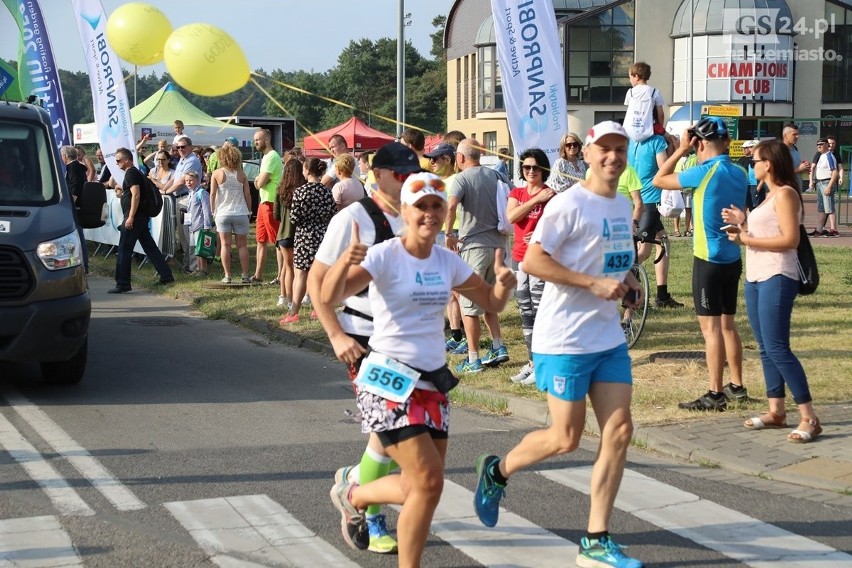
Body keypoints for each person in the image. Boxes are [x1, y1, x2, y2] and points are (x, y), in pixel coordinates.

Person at [471, 121, 644, 568]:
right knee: (566, 437)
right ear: (586, 153)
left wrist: (626, 281)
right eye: (604, 149)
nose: (613, 156)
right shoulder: (568, 204)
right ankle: (497, 471)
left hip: (606, 337)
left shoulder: (622, 204)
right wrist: (591, 282)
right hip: (564, 336)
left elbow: (612, 259)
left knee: (619, 430)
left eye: (620, 149)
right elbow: (532, 259)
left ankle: (596, 539)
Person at [327, 172, 515, 567]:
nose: (430, 214)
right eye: (421, 206)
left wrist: (503, 285)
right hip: (387, 381)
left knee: (423, 487)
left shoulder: (447, 260)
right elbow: (331, 295)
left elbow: (491, 303)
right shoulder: (384, 254)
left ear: (445, 210)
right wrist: (346, 261)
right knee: (429, 482)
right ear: (406, 212)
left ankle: (356, 495)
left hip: (432, 384)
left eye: (436, 206)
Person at [310, 142, 422, 555]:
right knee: (390, 434)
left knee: (398, 433)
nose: (409, 181)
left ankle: (353, 481)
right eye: (401, 174)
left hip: (412, 343)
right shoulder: (354, 218)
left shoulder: (418, 215)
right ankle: (369, 512)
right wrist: (336, 335)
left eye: (414, 173)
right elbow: (316, 284)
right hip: (365, 341)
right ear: (379, 174)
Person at [720, 139, 823, 443]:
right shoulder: (767, 197)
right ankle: (776, 411)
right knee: (765, 346)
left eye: (756, 160)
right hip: (756, 276)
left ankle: (809, 417)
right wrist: (744, 224)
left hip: (778, 275)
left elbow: (789, 240)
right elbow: (766, 231)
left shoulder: (787, 195)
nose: (752, 165)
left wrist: (746, 240)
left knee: (778, 347)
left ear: (769, 164)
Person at [653, 117, 749, 411]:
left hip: (708, 260)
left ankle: (715, 393)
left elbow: (659, 180)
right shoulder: (739, 172)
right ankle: (737, 387)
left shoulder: (703, 171)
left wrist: (681, 150)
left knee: (711, 331)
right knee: (728, 326)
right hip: (733, 258)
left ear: (701, 143)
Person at [446, 138, 511, 372]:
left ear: (461, 158)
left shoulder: (462, 178)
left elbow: (451, 205)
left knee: (469, 305)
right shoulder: (497, 176)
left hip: (474, 246)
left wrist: (448, 234)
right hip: (498, 245)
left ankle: (473, 359)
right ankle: (498, 345)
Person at [506, 148, 555, 386]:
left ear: (543, 169)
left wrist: (540, 233)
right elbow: (512, 217)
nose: (531, 171)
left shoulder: (552, 195)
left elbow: (557, 226)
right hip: (519, 259)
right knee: (525, 312)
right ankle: (532, 362)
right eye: (526, 167)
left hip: (540, 259)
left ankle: (543, 365)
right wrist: (535, 199)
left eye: (535, 167)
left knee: (540, 312)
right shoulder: (516, 192)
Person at [627, 107, 683, 309]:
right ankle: (629, 291)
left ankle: (662, 295)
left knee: (664, 242)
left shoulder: (631, 142)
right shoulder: (656, 142)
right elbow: (664, 169)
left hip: (636, 198)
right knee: (643, 252)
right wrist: (675, 148)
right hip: (649, 200)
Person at [107, 147, 174, 293]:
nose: (117, 163)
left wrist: (130, 217)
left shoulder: (131, 173)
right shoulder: (134, 173)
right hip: (140, 216)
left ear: (126, 160)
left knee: (124, 249)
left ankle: (123, 283)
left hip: (135, 217)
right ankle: (166, 276)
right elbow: (132, 194)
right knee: (149, 246)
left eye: (118, 160)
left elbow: (136, 195)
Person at [280, 158, 337, 323]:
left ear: (307, 171)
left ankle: (293, 312)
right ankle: (317, 309)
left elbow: (294, 217)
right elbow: (332, 213)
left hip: (304, 235)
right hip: (322, 234)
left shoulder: (300, 191)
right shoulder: (326, 191)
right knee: (320, 274)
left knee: (301, 275)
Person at [210, 145, 252, 284]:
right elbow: (247, 194)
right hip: (240, 212)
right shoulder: (242, 174)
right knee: (242, 245)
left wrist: (213, 210)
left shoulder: (217, 173)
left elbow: (213, 194)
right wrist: (249, 211)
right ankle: (245, 275)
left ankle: (227, 275)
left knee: (225, 245)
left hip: (222, 213)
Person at [162, 135, 203, 274]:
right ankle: (188, 264)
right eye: (177, 147)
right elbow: (174, 178)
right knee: (183, 235)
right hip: (180, 200)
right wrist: (163, 190)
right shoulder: (182, 160)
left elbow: (181, 182)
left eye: (183, 147)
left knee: (188, 233)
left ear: (190, 147)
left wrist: (166, 192)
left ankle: (193, 266)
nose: (180, 149)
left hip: (187, 200)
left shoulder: (192, 160)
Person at [250, 129, 283, 283]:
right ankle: (258, 276)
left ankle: (281, 276)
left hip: (271, 202)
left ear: (267, 139)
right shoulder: (266, 157)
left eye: (258, 139)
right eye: (255, 139)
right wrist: (259, 181)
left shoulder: (272, 157)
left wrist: (258, 181)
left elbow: (260, 183)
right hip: (264, 202)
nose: (256, 142)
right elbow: (261, 182)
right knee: (260, 240)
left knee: (278, 241)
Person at [273, 159, 302, 311]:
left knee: (286, 266)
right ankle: (295, 299)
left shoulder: (279, 189)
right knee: (299, 268)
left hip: (283, 233)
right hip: (299, 233)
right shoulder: (302, 189)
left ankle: (285, 298)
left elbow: (276, 215)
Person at [60, 145, 90, 273]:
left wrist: (69, 205)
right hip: (78, 205)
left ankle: (83, 266)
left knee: (77, 235)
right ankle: (83, 265)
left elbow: (75, 187)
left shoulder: (72, 168)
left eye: (62, 156)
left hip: (75, 207)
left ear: (65, 156)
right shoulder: (78, 167)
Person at [623, 61, 666, 142]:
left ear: (636, 76)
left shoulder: (630, 92)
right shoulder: (655, 92)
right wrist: (660, 128)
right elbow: (661, 114)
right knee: (670, 141)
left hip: (630, 131)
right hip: (647, 131)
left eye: (630, 77)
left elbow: (629, 112)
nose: (630, 80)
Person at [808, 138, 840, 237]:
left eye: (821, 144)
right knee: (821, 208)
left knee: (829, 207)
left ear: (827, 145)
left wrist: (829, 186)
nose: (819, 146)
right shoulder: (821, 156)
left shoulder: (829, 156)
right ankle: (819, 229)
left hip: (826, 182)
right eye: (817, 144)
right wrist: (813, 181)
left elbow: (835, 172)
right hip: (820, 183)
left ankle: (834, 230)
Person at [185, 171, 212, 277]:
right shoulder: (190, 193)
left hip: (200, 224)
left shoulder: (202, 193)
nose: (188, 183)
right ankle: (198, 267)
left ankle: (203, 269)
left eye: (191, 180)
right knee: (196, 248)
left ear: (197, 180)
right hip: (192, 225)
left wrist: (207, 225)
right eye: (186, 181)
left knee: (201, 249)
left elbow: (206, 210)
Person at [673, 148, 697, 236]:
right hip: (678, 187)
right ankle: (676, 229)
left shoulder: (693, 158)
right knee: (677, 209)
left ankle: (687, 229)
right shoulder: (676, 159)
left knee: (688, 209)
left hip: (689, 188)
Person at [781, 123, 810, 192]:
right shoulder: (780, 150)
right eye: (794, 134)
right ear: (785, 136)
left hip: (797, 188)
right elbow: (780, 172)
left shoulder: (795, 149)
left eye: (797, 134)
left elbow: (796, 169)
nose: (797, 136)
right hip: (786, 190)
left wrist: (805, 168)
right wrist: (799, 169)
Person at [738, 140, 759, 211]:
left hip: (754, 185)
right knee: (744, 205)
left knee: (754, 206)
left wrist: (758, 188)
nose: (744, 150)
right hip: (745, 186)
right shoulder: (741, 159)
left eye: (746, 148)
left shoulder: (756, 160)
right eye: (743, 148)